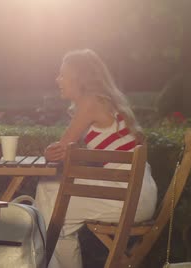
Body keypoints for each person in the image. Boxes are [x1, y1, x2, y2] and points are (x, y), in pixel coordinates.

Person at [35, 49, 157, 268]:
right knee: (48, 191)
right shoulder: (104, 101)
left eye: (62, 75)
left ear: (78, 78)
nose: (57, 80)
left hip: (128, 196)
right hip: (137, 193)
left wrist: (48, 153)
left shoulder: (90, 102)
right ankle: (43, 255)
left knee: (56, 220)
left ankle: (40, 257)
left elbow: (59, 150)